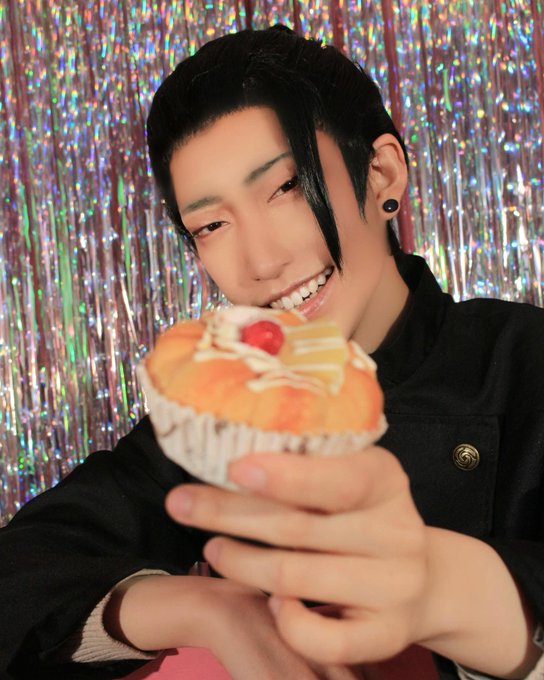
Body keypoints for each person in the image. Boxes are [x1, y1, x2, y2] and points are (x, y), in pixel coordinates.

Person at [1, 24, 543, 680]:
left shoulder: (525, 361)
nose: (261, 262)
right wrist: (210, 609)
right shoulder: (217, 419)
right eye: (212, 224)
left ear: (381, 173)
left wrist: (443, 590)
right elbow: (23, 571)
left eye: (285, 188)